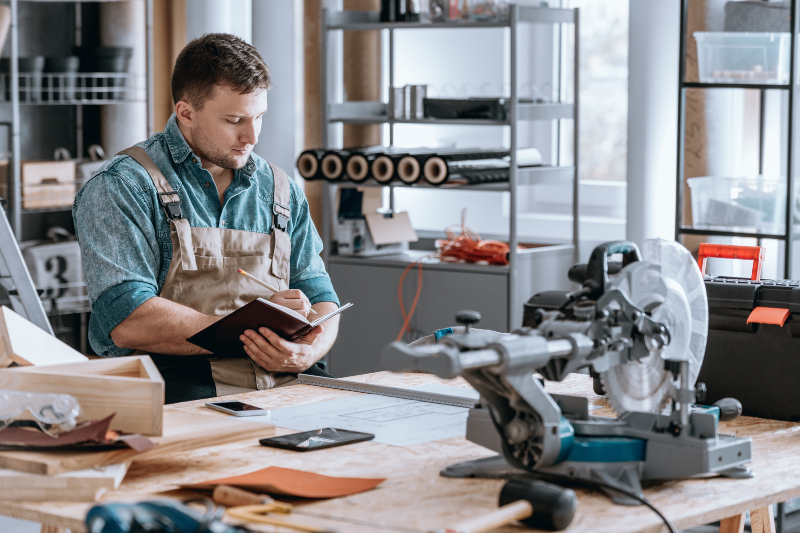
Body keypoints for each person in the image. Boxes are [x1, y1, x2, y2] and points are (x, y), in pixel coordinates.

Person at [73, 33, 340, 403]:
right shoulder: (122, 186)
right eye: (234, 120)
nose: (251, 136)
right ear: (186, 112)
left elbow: (322, 296)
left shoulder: (281, 190)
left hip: (291, 389)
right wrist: (253, 333)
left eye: (259, 117)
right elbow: (128, 319)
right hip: (181, 394)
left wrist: (310, 351)